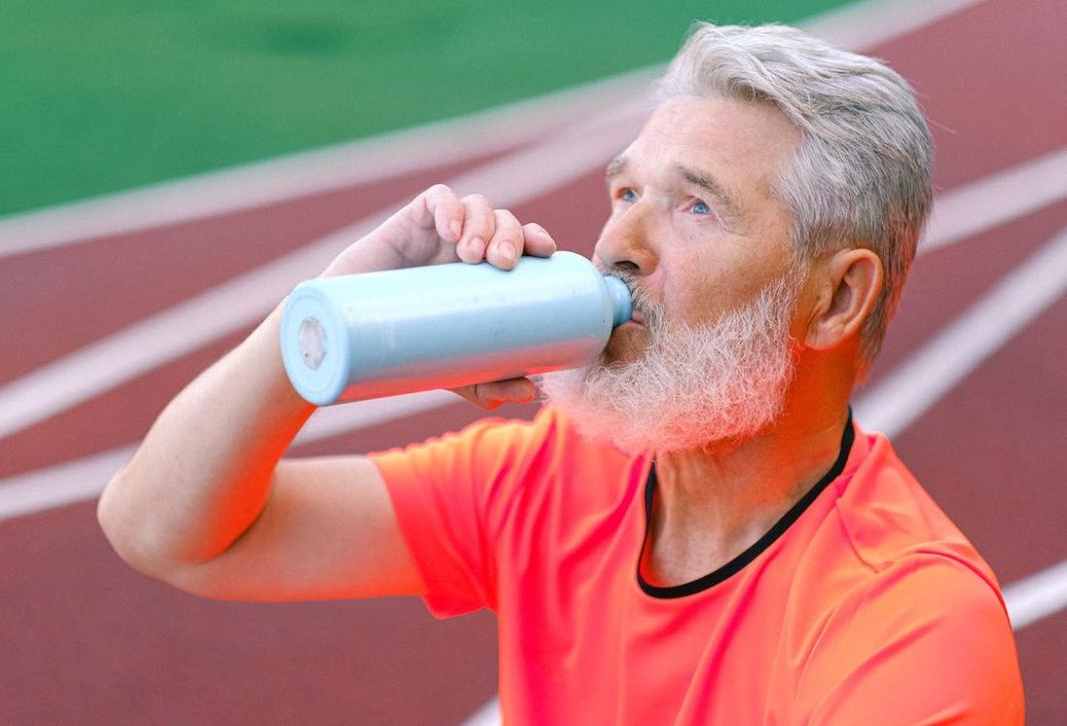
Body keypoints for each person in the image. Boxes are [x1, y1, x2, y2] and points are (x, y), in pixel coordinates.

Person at [98, 22, 1025, 724]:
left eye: (696, 208)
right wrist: (323, 313)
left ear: (832, 301)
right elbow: (170, 533)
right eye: (626, 192)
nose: (617, 245)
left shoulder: (910, 628)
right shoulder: (557, 476)